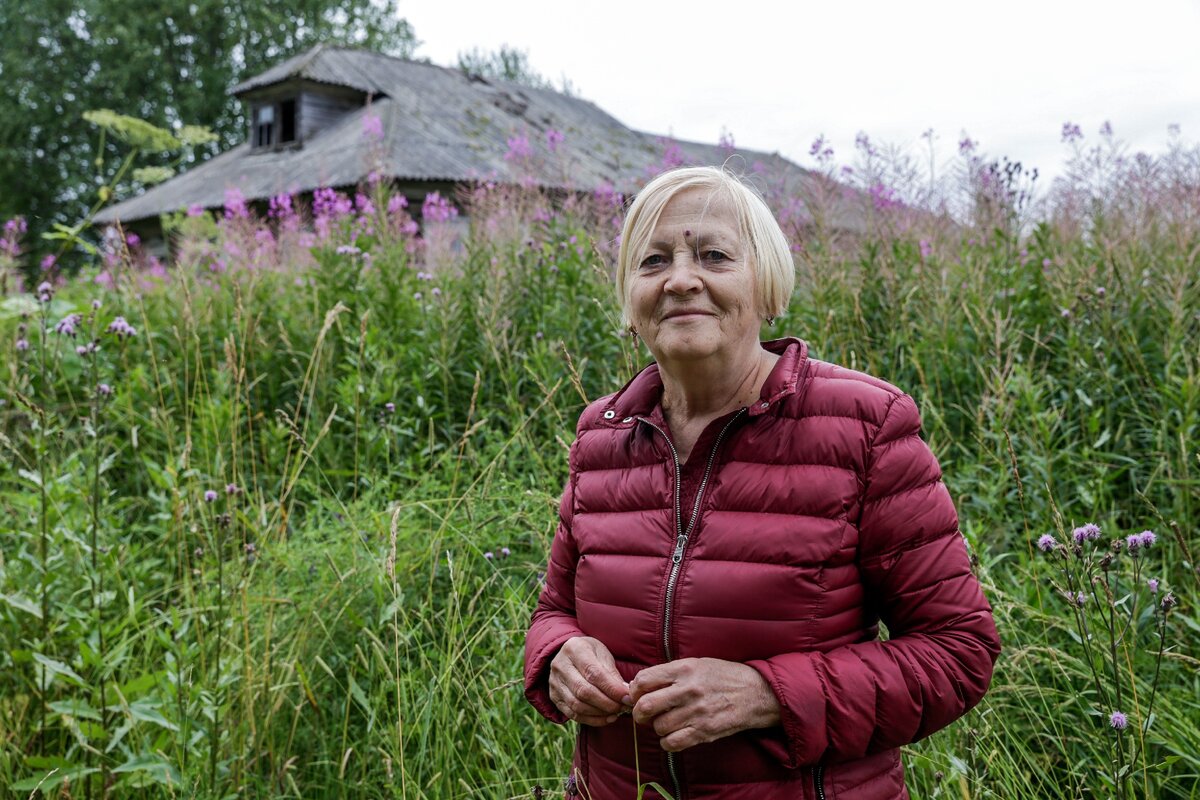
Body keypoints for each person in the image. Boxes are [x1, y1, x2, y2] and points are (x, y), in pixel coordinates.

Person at [524, 166, 1000, 800]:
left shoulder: (866, 426)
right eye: (653, 260)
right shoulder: (602, 438)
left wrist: (770, 695)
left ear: (767, 285)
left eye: (714, 255)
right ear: (630, 301)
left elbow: (958, 652)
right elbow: (554, 612)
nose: (681, 278)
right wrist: (559, 656)